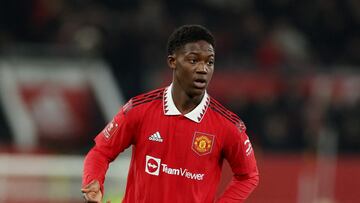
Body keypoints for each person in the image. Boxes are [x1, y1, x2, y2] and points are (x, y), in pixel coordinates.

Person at [81, 24, 259, 203]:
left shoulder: (227, 125)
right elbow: (100, 152)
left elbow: (248, 176)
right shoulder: (139, 109)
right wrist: (93, 182)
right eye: (193, 60)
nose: (203, 69)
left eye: (209, 62)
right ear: (172, 61)